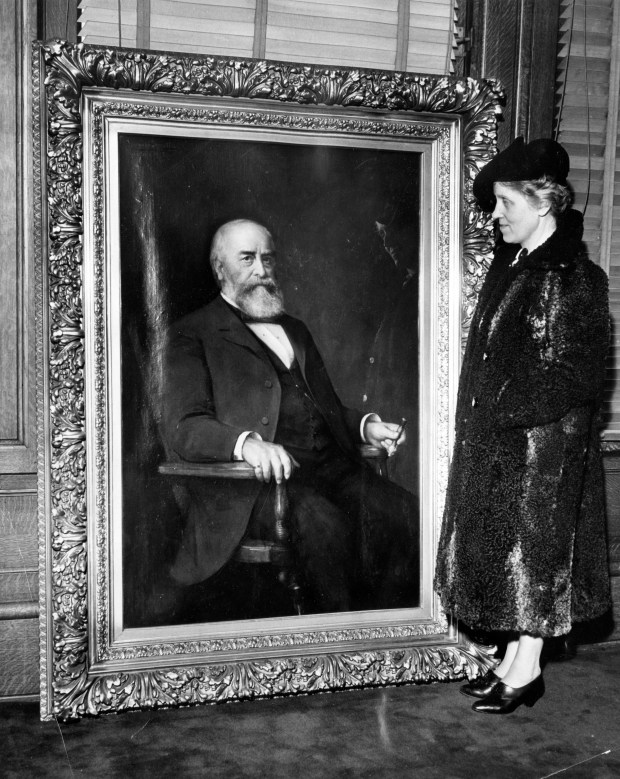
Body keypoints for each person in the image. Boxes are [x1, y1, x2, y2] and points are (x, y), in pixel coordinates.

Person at [161, 218, 419, 616]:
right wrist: (246, 444)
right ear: (219, 269)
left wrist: (365, 426)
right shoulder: (192, 332)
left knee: (406, 515)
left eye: (267, 258)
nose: (261, 269)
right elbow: (185, 426)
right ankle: (335, 643)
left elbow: (325, 409)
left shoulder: (294, 329)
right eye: (247, 258)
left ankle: (393, 633)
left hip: (333, 470)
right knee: (325, 529)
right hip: (262, 487)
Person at [434, 137, 611, 714]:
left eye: (505, 202)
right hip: (504, 445)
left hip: (544, 454)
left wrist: (499, 408)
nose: (495, 214)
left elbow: (576, 375)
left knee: (535, 561)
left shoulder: (575, 277)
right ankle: (513, 657)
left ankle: (528, 667)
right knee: (510, 560)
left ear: (543, 202)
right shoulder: (513, 268)